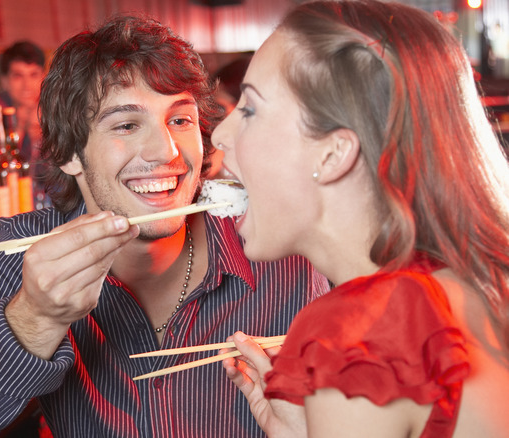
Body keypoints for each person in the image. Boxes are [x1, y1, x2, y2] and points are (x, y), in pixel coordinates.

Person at [0, 16, 330, 437]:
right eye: (126, 124)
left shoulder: (282, 250)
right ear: (69, 153)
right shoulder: (27, 257)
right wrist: (35, 317)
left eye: (180, 120)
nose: (164, 151)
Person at [212, 1, 509, 437]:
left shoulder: (357, 331)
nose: (219, 134)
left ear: (333, 154)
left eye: (250, 109)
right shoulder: (475, 283)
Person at [0, 40, 46, 168]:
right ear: (4, 81)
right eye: (18, 76)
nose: (27, 85)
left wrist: (40, 133)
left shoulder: (54, 105)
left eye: (33, 75)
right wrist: (18, 127)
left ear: (43, 77)